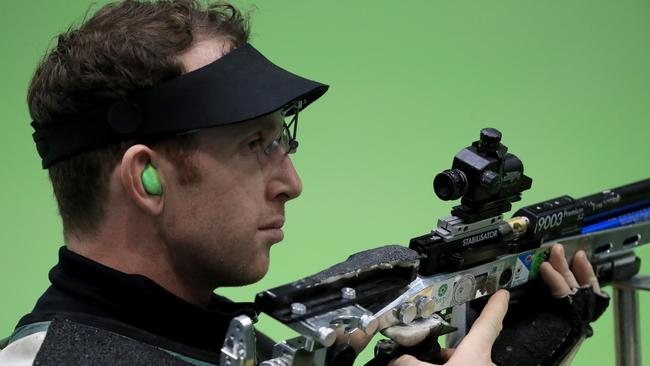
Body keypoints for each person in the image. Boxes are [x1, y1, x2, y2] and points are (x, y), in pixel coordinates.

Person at [0, 1, 608, 365]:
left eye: (283, 140)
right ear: (147, 177)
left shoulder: (223, 347)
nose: (290, 182)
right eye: (255, 145)